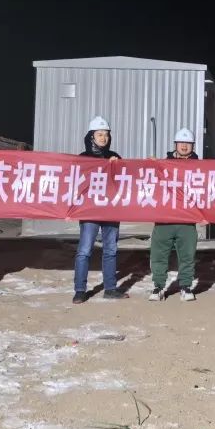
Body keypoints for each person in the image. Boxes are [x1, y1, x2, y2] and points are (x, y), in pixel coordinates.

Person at [72, 116, 124, 304]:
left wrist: (117, 166)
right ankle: (80, 290)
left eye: (106, 135)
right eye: (99, 134)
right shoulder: (83, 159)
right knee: (85, 250)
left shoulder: (115, 157)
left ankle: (110, 288)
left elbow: (124, 180)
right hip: (90, 211)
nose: (103, 138)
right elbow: (76, 182)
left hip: (111, 210)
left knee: (110, 250)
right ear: (91, 136)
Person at [149, 128, 199, 301]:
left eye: (188, 143)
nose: (184, 146)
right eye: (181, 143)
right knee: (159, 254)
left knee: (187, 255)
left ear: (193, 146)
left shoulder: (200, 168)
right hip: (165, 218)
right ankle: (158, 286)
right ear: (175, 145)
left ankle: (185, 286)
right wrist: (150, 165)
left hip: (187, 219)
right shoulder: (163, 164)